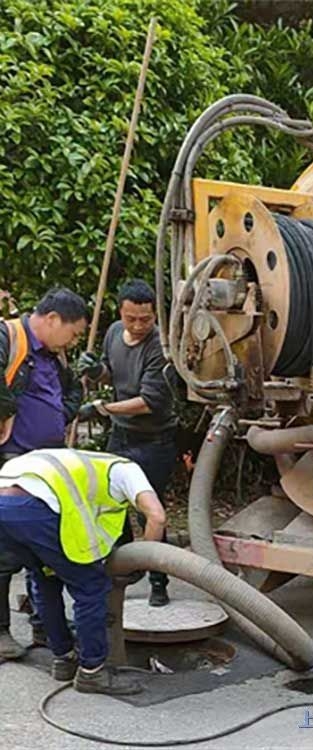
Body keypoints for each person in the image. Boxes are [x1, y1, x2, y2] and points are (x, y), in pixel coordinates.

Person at [0, 448, 166, 695]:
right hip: (34, 509)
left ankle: (63, 659)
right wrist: (142, 562)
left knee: (44, 577)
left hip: (6, 502)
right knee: (90, 587)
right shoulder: (129, 471)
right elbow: (157, 517)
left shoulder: (82, 463)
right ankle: (92, 672)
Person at [77, 279, 177, 607]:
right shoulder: (113, 332)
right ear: (121, 311)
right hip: (120, 437)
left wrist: (102, 408)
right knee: (114, 506)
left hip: (154, 440)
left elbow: (148, 401)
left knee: (150, 508)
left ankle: (159, 580)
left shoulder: (161, 347)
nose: (137, 325)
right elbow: (111, 373)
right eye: (131, 318)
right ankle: (125, 571)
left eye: (145, 319)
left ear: (153, 315)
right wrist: (96, 372)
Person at [0, 288, 87, 660]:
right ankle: (1, 632)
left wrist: (63, 413)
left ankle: (44, 624)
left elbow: (68, 397)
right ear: (52, 320)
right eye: (74, 332)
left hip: (48, 464)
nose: (75, 340)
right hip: (11, 462)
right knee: (3, 552)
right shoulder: (8, 338)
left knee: (45, 544)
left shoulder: (55, 355)